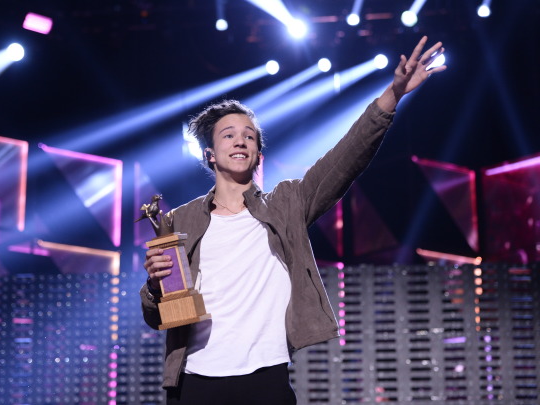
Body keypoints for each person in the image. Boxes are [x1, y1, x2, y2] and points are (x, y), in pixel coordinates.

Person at [140, 36, 447, 404]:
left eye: (249, 136)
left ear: (257, 155)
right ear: (210, 155)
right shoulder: (181, 219)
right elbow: (156, 316)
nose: (240, 141)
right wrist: (154, 285)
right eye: (229, 135)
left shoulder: (286, 203)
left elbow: (345, 157)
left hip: (266, 376)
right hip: (195, 380)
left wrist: (393, 95)